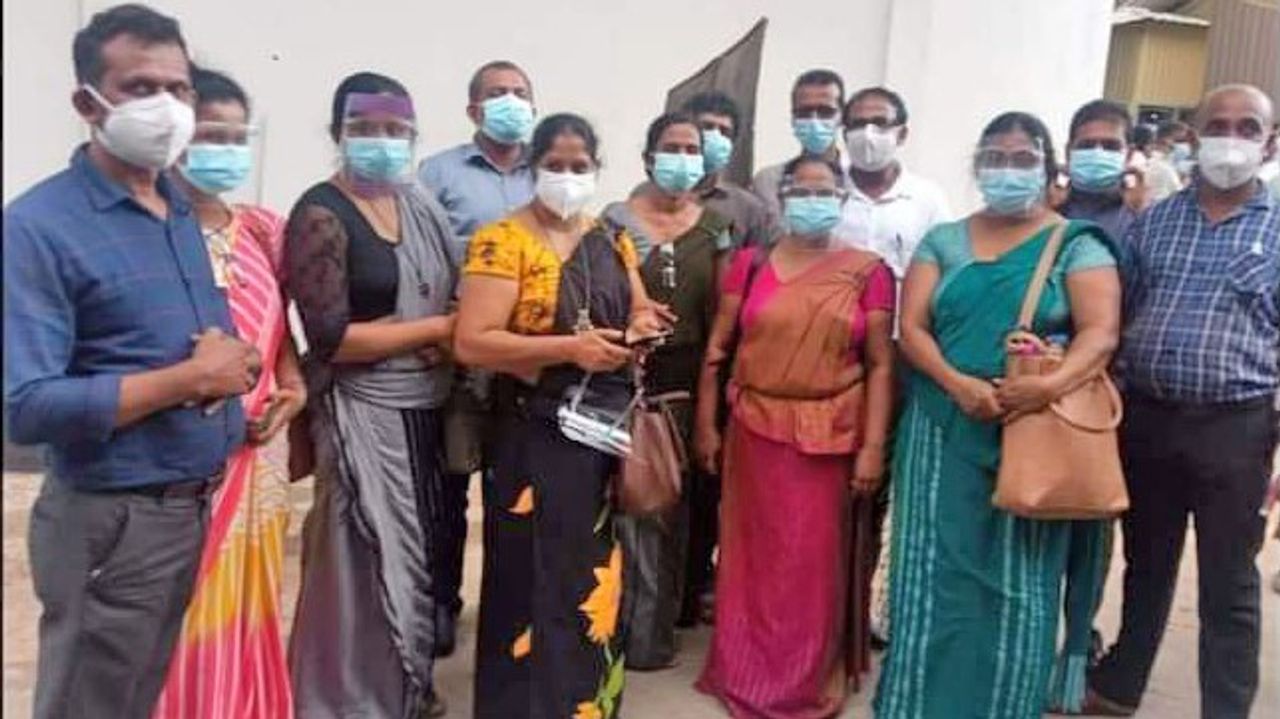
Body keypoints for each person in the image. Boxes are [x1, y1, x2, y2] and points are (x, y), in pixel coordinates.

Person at [4, 6, 260, 718]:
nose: (167, 107)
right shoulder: (38, 228)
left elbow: (190, 337)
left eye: (178, 89)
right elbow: (27, 406)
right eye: (141, 88)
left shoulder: (174, 206)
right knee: (91, 700)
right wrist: (191, 379)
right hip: (110, 518)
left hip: (185, 507)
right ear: (88, 103)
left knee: (134, 696)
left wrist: (232, 368)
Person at [874, 111, 1122, 718]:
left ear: (1048, 168)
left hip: (1033, 431)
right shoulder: (945, 240)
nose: (1008, 170)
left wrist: (1048, 385)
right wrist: (957, 385)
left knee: (1018, 585)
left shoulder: (1077, 244)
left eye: (1023, 159)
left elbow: (1100, 333)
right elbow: (913, 328)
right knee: (929, 576)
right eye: (995, 158)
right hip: (940, 427)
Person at [456, 113, 670, 719]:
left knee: (588, 576)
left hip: (596, 436)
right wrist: (568, 350)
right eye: (555, 165)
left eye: (580, 166)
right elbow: (472, 342)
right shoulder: (502, 241)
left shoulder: (610, 238)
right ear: (532, 168)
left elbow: (636, 306)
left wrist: (643, 325)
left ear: (597, 170)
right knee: (530, 575)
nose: (568, 176)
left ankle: (583, 706)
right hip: (532, 435)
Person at [1086, 85, 1280, 719]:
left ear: (1269, 143)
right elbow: (1125, 311)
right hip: (1149, 417)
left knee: (1229, 578)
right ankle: (1119, 688)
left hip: (1237, 428)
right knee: (1146, 561)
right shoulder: (1156, 221)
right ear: (1194, 138)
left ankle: (1225, 707)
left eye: (1247, 128)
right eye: (1217, 126)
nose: (1231, 139)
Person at [284, 72, 459, 719]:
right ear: (338, 133)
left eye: (394, 129)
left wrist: (435, 333)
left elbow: (452, 294)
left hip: (426, 404)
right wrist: (434, 331)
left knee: (419, 552)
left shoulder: (419, 205)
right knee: (359, 557)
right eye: (364, 129)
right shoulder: (320, 214)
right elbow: (332, 338)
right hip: (360, 410)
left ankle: (407, 688)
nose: (381, 141)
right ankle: (346, 699)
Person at [695, 154, 896, 718]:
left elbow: (882, 365)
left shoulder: (868, 271)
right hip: (753, 432)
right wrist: (706, 426)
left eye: (825, 191)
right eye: (802, 191)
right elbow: (716, 351)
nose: (814, 200)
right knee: (751, 558)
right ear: (782, 199)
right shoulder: (751, 264)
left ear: (842, 198)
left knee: (811, 561)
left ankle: (804, 678)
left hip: (829, 437)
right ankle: (744, 670)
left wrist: (873, 449)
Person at [149, 66, 304, 719]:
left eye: (238, 137)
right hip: (181, 453)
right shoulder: (152, 230)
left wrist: (293, 387)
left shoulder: (265, 230)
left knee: (250, 596)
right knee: (181, 605)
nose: (226, 150)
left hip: (262, 450)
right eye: (212, 135)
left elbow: (282, 331)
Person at [602, 112, 731, 669]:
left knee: (668, 507)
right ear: (649, 157)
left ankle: (653, 635)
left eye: (692, 149)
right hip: (618, 381)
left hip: (685, 388)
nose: (682, 159)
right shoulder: (613, 221)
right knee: (621, 508)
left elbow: (721, 319)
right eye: (671, 147)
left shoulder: (716, 228)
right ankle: (613, 628)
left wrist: (710, 405)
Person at [418, 59, 537, 655]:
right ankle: (441, 602)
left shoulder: (550, 172)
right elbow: (424, 260)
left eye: (519, 93)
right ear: (473, 109)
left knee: (514, 492)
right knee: (449, 488)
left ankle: (509, 614)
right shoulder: (438, 174)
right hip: (460, 356)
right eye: (497, 93)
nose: (510, 102)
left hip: (530, 362)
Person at [835, 85, 951, 648]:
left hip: (904, 361)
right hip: (832, 361)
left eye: (880, 123)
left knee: (883, 486)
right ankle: (828, 607)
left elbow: (945, 278)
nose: (868, 135)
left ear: (902, 132)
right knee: (834, 487)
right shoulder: (825, 193)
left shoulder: (926, 201)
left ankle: (868, 609)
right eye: (858, 123)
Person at [675, 92, 777, 629]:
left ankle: (697, 586)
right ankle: (658, 593)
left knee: (710, 480)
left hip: (725, 358)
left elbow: (767, 279)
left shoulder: (747, 209)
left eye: (722, 130)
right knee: (658, 479)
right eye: (702, 128)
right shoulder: (638, 206)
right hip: (663, 361)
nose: (711, 139)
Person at [680, 91, 776, 250]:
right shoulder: (653, 196)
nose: (715, 137)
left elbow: (755, 262)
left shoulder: (748, 209)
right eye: (707, 127)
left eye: (724, 132)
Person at [752, 69, 847, 218]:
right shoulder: (768, 182)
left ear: (842, 116)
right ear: (793, 118)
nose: (814, 120)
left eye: (825, 111)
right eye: (804, 112)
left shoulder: (856, 180)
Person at [1145, 120, 1193, 204]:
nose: (1186, 145)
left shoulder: (1165, 164)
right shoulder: (1162, 167)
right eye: (1180, 141)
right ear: (1165, 141)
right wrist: (1186, 183)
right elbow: (1179, 195)